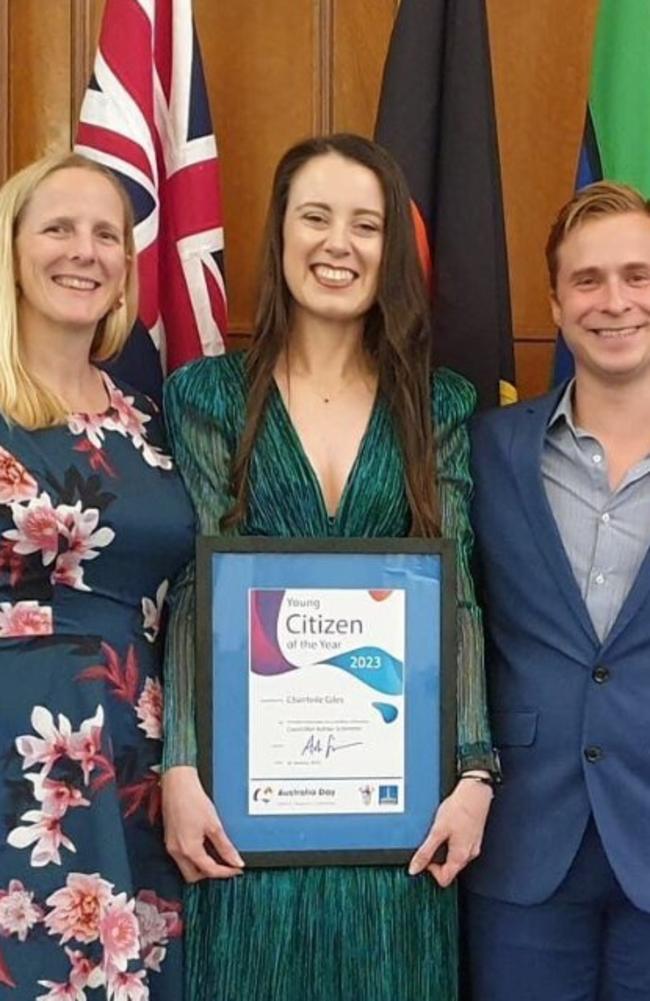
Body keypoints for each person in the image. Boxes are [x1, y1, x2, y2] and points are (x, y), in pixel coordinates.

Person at [161, 132, 495, 1001]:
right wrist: (181, 766)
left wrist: (473, 774)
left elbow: (456, 592)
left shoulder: (441, 404)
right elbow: (196, 589)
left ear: (391, 252)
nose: (337, 243)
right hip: (243, 812)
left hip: (404, 818)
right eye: (314, 217)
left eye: (365, 224)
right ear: (279, 236)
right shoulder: (207, 396)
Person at [0, 152, 194, 1000]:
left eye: (105, 235)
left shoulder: (151, 424)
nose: (83, 250)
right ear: (11, 249)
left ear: (125, 268)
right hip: (13, 764)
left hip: (137, 763)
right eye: (58, 228)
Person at [464, 181, 650, 1001]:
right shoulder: (486, 448)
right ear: (556, 300)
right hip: (523, 838)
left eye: (638, 276)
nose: (615, 301)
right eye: (589, 280)